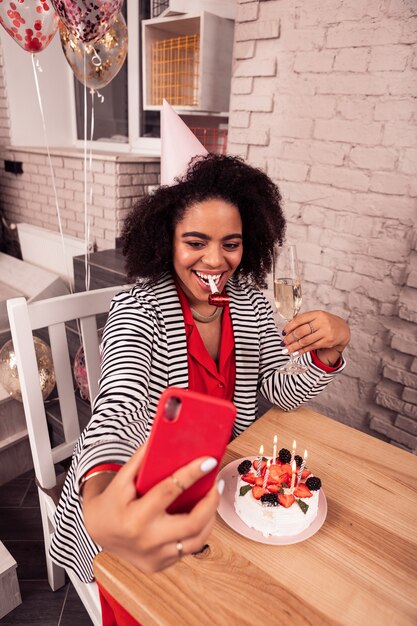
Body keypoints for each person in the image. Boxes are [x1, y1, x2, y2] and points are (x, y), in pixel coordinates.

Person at [50, 153, 350, 590]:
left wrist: (328, 352)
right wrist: (99, 504)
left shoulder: (248, 301)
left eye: (230, 244)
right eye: (195, 242)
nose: (215, 260)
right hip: (140, 492)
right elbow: (118, 410)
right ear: (166, 242)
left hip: (225, 483)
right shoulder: (138, 310)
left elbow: (280, 390)